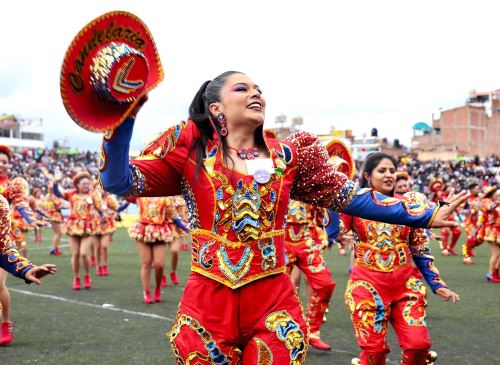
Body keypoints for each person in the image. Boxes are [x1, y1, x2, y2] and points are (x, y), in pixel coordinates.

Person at [97, 71, 467, 364]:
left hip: (272, 298)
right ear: (216, 108)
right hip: (207, 300)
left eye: (260, 88)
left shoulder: (289, 156)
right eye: (243, 88)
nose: (257, 93)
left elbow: (348, 197)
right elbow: (118, 180)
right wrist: (123, 120)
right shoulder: (190, 151)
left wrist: (425, 215)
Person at [340, 153, 460, 365]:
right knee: (374, 352)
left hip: (405, 285)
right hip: (367, 286)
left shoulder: (412, 206)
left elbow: (419, 248)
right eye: (382, 171)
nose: (388, 175)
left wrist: (436, 283)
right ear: (368, 175)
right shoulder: (353, 204)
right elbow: (332, 228)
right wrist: (336, 230)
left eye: (392, 171)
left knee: (418, 346)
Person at [0, 145, 57, 345]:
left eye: (4, 161)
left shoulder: (11, 188)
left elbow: (22, 204)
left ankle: (5, 323)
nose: (1, 164)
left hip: (7, 234)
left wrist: (25, 269)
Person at [284, 200, 335, 350]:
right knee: (278, 289)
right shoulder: (275, 176)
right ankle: (282, 330)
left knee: (325, 283)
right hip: (281, 240)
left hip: (307, 241)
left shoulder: (309, 180)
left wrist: (329, 234)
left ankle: (312, 331)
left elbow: (322, 214)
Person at [53, 170, 102, 290]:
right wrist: (56, 182)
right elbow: (58, 194)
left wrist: (102, 214)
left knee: (84, 253)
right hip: (73, 226)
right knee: (75, 254)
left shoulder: (93, 195)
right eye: (84, 184)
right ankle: (76, 277)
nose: (86, 186)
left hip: (88, 226)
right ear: (78, 185)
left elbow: (100, 207)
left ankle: (87, 275)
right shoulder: (72, 194)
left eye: (88, 184)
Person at [127, 197, 174, 303]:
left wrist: (182, 227)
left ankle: (158, 288)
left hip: (160, 231)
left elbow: (171, 214)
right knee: (146, 263)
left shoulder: (165, 197)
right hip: (142, 230)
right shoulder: (139, 194)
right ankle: (146, 291)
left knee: (159, 264)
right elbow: (126, 194)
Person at [476, 186, 499, 282]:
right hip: (491, 230)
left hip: (496, 231)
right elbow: (490, 208)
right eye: (496, 195)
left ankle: (495, 272)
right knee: (496, 253)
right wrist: (497, 202)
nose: (497, 196)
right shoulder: (486, 201)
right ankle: (490, 273)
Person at [462, 182, 482, 265]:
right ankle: (466, 256)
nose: (478, 190)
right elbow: (461, 207)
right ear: (471, 189)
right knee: (471, 237)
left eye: (478, 188)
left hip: (477, 222)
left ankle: (469, 249)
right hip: (469, 222)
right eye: (476, 188)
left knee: (480, 238)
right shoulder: (467, 198)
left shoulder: (480, 198)